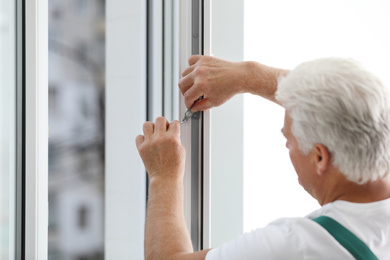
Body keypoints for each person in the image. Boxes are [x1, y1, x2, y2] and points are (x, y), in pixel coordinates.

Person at [136, 55, 390, 260]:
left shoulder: (296, 246)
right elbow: (355, 104)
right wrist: (247, 75)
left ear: (320, 157)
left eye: (288, 140)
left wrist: (164, 176)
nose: (287, 146)